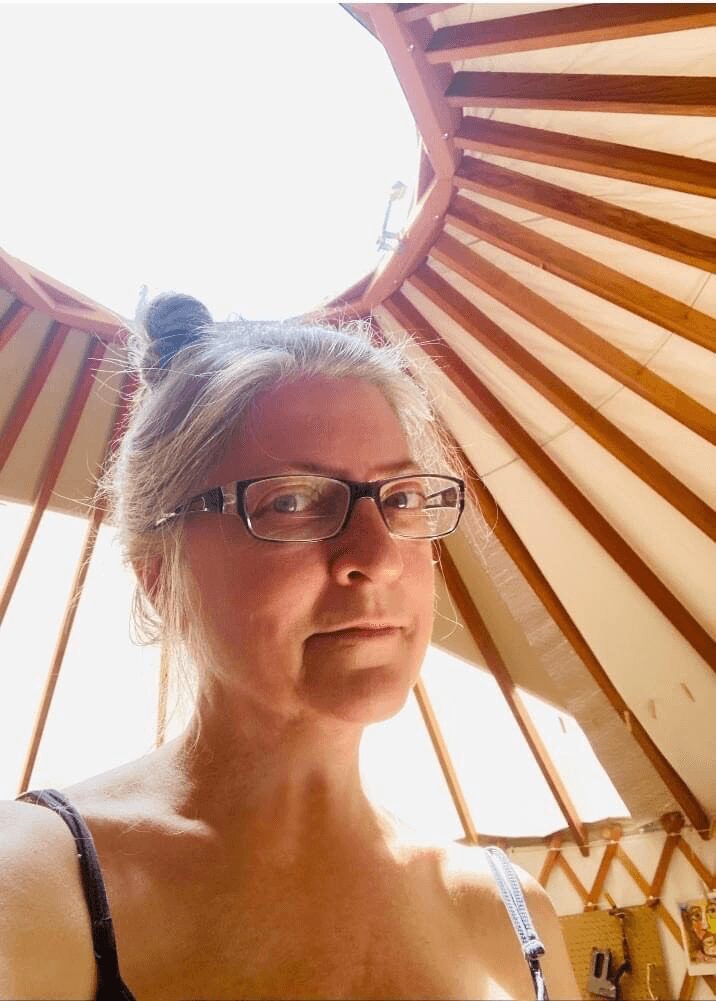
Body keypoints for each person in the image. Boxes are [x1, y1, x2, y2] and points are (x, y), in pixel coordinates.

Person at [0, 294, 580, 1000]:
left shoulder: (512, 913)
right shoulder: (29, 887)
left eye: (399, 498)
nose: (377, 557)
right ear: (160, 578)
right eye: (293, 501)